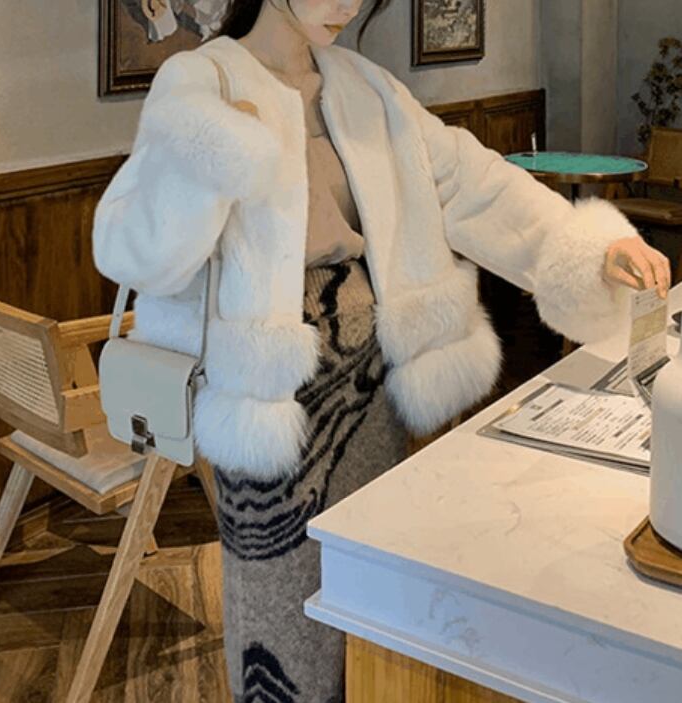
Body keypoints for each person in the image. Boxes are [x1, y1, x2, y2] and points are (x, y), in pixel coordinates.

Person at [92, 1, 671, 700]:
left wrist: (592, 248)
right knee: (280, 602)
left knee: (372, 582)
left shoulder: (364, 86)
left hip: (371, 379)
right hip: (271, 395)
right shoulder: (201, 81)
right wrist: (209, 160)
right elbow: (131, 251)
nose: (347, 5)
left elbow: (473, 185)